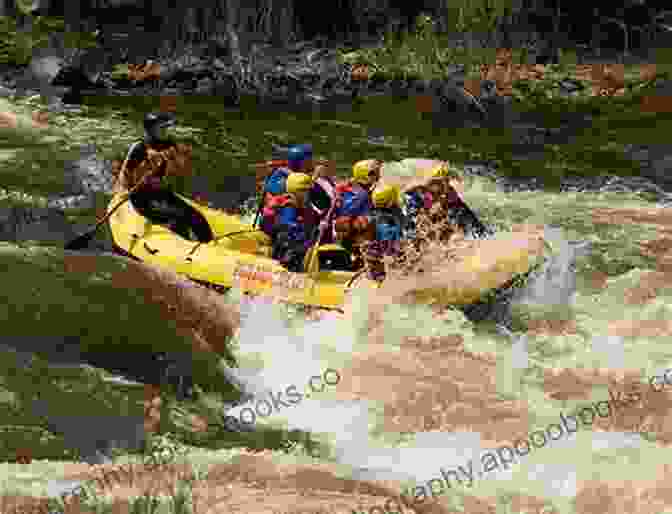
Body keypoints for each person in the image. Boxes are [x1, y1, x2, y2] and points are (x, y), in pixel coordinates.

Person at [113, 111, 213, 243]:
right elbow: (124, 176)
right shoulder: (139, 148)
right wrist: (123, 194)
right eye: (162, 128)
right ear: (151, 129)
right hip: (140, 196)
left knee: (197, 218)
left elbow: (182, 168)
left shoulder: (170, 144)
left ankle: (210, 245)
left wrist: (179, 159)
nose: (166, 130)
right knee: (177, 220)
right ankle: (185, 249)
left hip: (160, 193)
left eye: (167, 127)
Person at [261, 172, 319, 272]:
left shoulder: (306, 208)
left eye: (308, 191)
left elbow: (313, 224)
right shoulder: (288, 209)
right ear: (296, 192)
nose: (308, 194)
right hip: (286, 255)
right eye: (304, 191)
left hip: (301, 251)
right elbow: (291, 234)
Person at [333, 159, 383, 269]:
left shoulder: (357, 190)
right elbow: (345, 220)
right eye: (374, 173)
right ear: (366, 176)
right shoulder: (361, 195)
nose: (378, 176)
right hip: (355, 239)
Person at [363, 182, 405, 282]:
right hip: (384, 268)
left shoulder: (372, 215)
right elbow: (391, 249)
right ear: (390, 202)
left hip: (374, 263)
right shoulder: (389, 221)